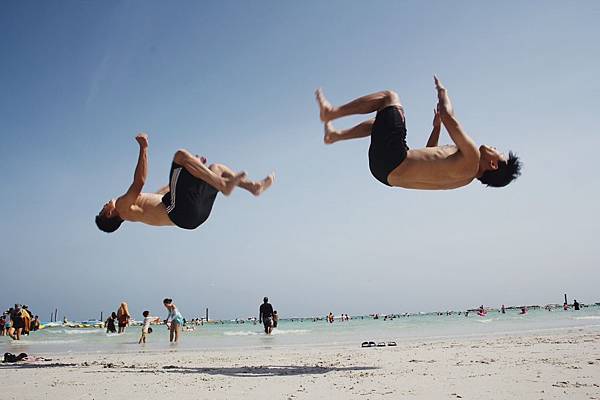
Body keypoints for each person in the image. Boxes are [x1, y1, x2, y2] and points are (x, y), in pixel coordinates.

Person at [315, 76, 521, 189]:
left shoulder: (473, 157)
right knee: (380, 123)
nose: (494, 147)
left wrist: (443, 93)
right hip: (384, 174)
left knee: (389, 98)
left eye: (497, 151)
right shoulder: (463, 179)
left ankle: (331, 113)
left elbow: (450, 117)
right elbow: (429, 153)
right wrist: (437, 128)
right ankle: (334, 136)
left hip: (393, 160)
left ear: (493, 164)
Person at [95, 133, 274, 233]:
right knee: (180, 155)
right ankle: (222, 184)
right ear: (109, 214)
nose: (105, 204)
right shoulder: (122, 207)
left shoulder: (137, 209)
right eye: (103, 208)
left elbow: (167, 191)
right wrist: (143, 148)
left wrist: (194, 166)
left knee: (216, 167)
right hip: (181, 213)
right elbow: (139, 181)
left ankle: (253, 187)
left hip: (192, 216)